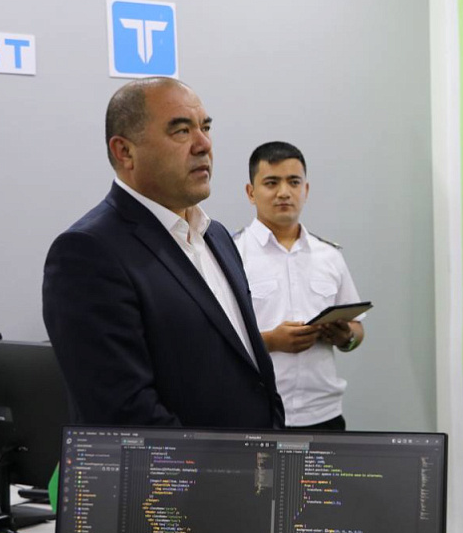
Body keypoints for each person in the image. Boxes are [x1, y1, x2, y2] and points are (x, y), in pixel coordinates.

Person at [42, 77, 284, 428]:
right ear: (125, 152)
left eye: (205, 127)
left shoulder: (216, 235)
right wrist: (225, 463)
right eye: (181, 131)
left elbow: (250, 371)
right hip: (186, 465)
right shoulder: (87, 253)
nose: (204, 144)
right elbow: (125, 413)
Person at [233, 141, 365, 430]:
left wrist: (345, 337)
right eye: (271, 183)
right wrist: (271, 341)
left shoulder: (329, 255)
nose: (284, 192)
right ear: (251, 192)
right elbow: (216, 341)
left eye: (294, 182)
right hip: (257, 413)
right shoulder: (231, 255)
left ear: (306, 190)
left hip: (323, 414)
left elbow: (357, 329)